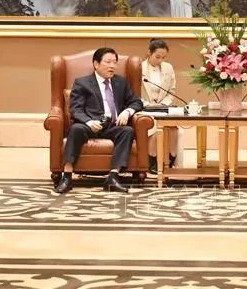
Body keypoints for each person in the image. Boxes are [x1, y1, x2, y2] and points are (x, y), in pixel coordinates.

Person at [54, 47, 143, 194]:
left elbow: (136, 102)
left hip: (113, 126)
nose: (112, 66)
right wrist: (88, 122)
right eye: (108, 62)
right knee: (76, 129)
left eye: (115, 62)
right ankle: (67, 176)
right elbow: (75, 109)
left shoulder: (121, 82)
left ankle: (113, 177)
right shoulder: (83, 83)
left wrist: (127, 112)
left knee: (127, 131)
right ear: (96, 64)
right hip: (90, 125)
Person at [141, 38, 180, 174]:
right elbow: (134, 91)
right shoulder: (140, 68)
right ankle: (153, 160)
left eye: (163, 57)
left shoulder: (168, 68)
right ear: (149, 53)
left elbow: (172, 91)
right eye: (157, 57)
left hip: (163, 107)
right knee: (156, 124)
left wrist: (164, 104)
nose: (160, 60)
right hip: (145, 108)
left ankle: (171, 159)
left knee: (174, 126)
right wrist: (148, 104)